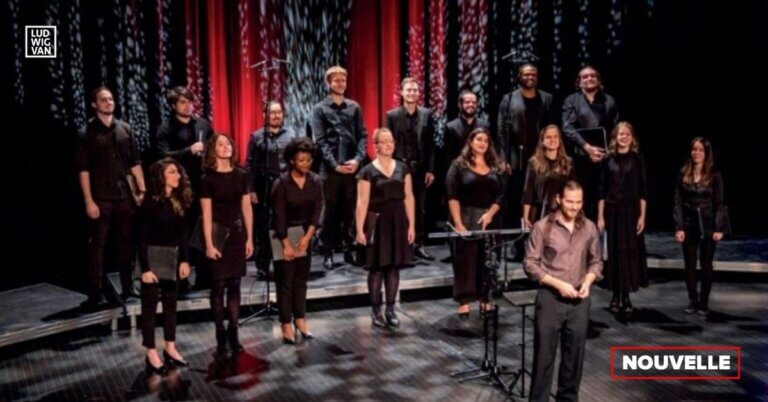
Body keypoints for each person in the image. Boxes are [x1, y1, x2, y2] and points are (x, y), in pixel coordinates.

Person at [524, 180, 603, 402]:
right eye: (569, 202)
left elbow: (596, 262)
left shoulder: (589, 227)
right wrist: (559, 285)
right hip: (550, 299)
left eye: (578, 202)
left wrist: (587, 282)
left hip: (579, 302)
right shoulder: (543, 227)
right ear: (559, 199)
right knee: (544, 358)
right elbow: (530, 264)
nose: (574, 207)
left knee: (573, 359)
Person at [76, 86, 146, 309]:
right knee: (98, 246)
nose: (109, 102)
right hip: (101, 197)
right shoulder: (86, 133)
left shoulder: (124, 128)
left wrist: (141, 189)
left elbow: (135, 162)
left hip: (125, 196)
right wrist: (89, 201)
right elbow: (84, 170)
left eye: (111, 99)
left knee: (127, 244)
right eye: (104, 100)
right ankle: (95, 293)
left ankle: (128, 287)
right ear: (94, 104)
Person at [200, 134, 254, 357]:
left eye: (228, 143)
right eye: (220, 144)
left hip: (237, 234)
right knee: (218, 286)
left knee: (235, 284)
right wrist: (208, 244)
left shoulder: (241, 175)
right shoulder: (207, 179)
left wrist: (250, 238)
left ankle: (234, 331)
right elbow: (206, 214)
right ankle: (220, 334)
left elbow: (246, 208)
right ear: (213, 150)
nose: (226, 147)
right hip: (217, 233)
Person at [355, 128, 415, 328]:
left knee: (393, 266)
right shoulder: (367, 171)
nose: (389, 145)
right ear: (376, 146)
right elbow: (362, 202)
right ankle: (375, 311)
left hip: (397, 220)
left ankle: (390, 309)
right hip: (377, 221)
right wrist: (359, 229)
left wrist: (411, 225)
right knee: (377, 268)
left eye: (391, 141)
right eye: (384, 141)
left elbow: (409, 197)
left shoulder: (403, 168)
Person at [138, 158, 192, 375]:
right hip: (152, 260)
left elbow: (184, 234)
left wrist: (185, 260)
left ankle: (170, 347)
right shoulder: (149, 204)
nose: (178, 176)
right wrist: (145, 269)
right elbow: (141, 239)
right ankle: (151, 352)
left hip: (172, 259)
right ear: (161, 176)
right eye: (172, 172)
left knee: (171, 304)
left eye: (178, 172)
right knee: (150, 308)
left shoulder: (178, 201)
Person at [156, 86, 214, 291]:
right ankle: (180, 279)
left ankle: (204, 277)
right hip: (179, 186)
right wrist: (188, 151)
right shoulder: (166, 128)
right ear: (173, 106)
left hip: (202, 183)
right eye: (182, 102)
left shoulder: (203, 124)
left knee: (203, 229)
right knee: (181, 230)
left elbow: (213, 146)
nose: (188, 106)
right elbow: (162, 156)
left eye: (190, 101)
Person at [310, 65, 368, 269]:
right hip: (330, 169)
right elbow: (320, 141)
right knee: (329, 212)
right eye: (336, 80)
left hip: (352, 168)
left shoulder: (354, 107)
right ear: (329, 83)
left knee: (350, 210)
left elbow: (362, 135)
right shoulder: (319, 109)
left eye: (343, 80)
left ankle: (349, 248)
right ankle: (328, 251)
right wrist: (334, 165)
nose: (340, 84)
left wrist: (358, 159)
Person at [446, 127, 505, 318]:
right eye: (479, 139)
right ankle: (464, 301)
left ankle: (485, 298)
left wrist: (490, 214)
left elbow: (501, 195)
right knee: (466, 261)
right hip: (466, 217)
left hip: (490, 220)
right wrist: (458, 223)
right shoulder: (458, 165)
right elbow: (452, 194)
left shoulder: (495, 166)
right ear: (470, 142)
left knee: (488, 260)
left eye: (486, 141)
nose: (482, 143)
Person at [271, 138, 323, 343]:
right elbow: (278, 216)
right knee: (285, 282)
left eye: (308, 160)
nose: (305, 164)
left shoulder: (315, 181)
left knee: (301, 281)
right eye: (301, 160)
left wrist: (308, 236)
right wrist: (286, 244)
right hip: (283, 235)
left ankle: (300, 319)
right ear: (292, 161)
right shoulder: (281, 183)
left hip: (304, 235)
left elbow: (318, 210)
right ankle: (286, 323)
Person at [597, 121, 648, 314]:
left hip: (631, 213)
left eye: (627, 134)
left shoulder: (637, 159)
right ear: (615, 137)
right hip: (612, 212)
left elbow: (643, 191)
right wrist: (600, 217)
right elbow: (601, 190)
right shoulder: (607, 159)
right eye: (620, 134)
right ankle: (615, 295)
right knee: (613, 254)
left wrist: (642, 216)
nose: (624, 137)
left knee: (628, 253)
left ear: (632, 138)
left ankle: (626, 295)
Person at [674, 137, 727, 317]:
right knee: (689, 265)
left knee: (706, 264)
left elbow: (719, 203)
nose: (696, 153)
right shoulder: (683, 173)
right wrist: (679, 227)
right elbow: (678, 202)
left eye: (700, 150)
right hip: (689, 224)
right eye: (694, 149)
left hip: (708, 224)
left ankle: (703, 302)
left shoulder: (714, 174)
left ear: (706, 153)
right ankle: (693, 300)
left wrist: (719, 228)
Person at [246, 101, 300, 279]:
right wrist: (250, 189)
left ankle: (286, 260)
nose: (276, 116)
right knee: (264, 226)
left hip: (287, 185)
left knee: (287, 222)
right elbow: (250, 164)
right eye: (272, 112)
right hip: (265, 187)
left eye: (279, 112)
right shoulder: (257, 137)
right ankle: (263, 264)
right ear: (265, 115)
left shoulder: (291, 134)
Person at [385, 77, 436, 260]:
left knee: (420, 209)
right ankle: (403, 246)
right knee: (401, 208)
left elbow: (431, 145)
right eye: (408, 90)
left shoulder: (426, 114)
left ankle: (419, 245)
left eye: (415, 90)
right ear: (401, 92)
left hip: (420, 169)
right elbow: (387, 143)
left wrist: (430, 169)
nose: (412, 93)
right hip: (400, 168)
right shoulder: (392, 115)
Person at [561, 66, 619, 220]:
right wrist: (587, 148)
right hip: (580, 157)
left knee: (602, 194)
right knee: (581, 194)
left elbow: (614, 129)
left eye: (593, 75)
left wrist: (605, 151)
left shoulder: (608, 100)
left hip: (604, 157)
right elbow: (567, 127)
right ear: (579, 81)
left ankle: (600, 229)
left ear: (599, 80)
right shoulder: (571, 100)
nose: (589, 78)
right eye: (585, 76)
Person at [521, 125, 576, 229]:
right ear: (542, 141)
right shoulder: (533, 163)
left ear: (560, 140)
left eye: (555, 137)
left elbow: (574, 190)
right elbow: (528, 191)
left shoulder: (568, 163)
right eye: (548, 137)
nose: (552, 140)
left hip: (563, 213)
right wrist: (525, 216)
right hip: (540, 213)